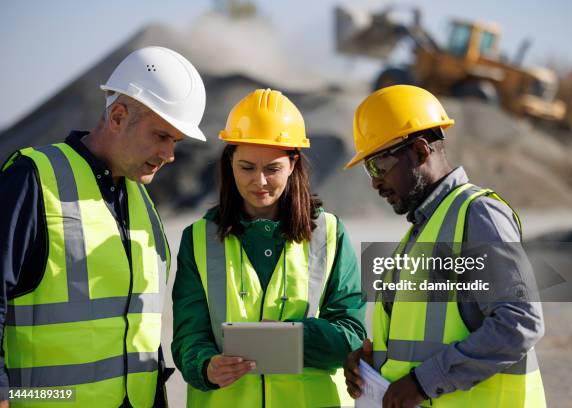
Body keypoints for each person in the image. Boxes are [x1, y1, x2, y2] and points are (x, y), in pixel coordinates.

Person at [0, 46, 207, 407]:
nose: (170, 154)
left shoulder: (141, 199)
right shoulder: (33, 179)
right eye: (161, 136)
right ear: (118, 116)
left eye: (176, 141)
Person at [343, 85, 546, 407]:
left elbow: (519, 323)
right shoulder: (423, 230)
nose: (375, 182)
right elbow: (422, 336)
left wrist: (423, 383)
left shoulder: (477, 215)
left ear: (421, 151)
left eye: (378, 166)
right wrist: (372, 361)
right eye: (369, 169)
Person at [172, 88, 366, 407]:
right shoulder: (197, 239)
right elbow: (188, 334)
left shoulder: (329, 234)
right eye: (247, 167)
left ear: (292, 164)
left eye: (272, 169)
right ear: (229, 162)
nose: (259, 181)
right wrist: (205, 366)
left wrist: (293, 338)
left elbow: (351, 334)